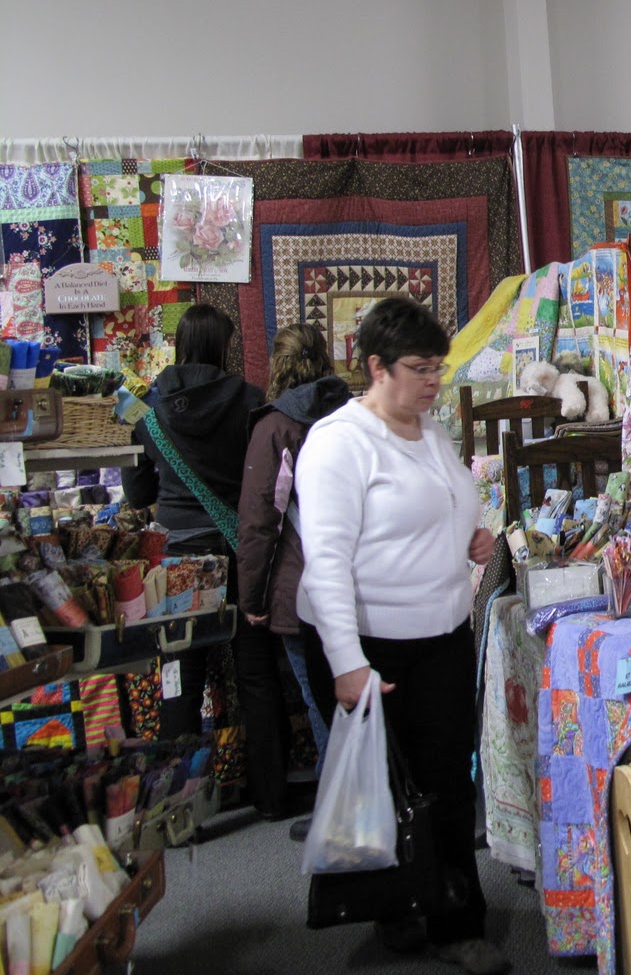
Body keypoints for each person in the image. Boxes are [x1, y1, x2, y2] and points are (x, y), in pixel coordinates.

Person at [295, 297, 507, 975]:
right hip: (371, 643)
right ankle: (397, 909)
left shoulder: (430, 432)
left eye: (438, 368)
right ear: (376, 367)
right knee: (387, 788)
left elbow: (443, 506)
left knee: (446, 784)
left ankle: (456, 923)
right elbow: (326, 562)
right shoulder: (337, 443)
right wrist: (346, 662)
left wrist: (471, 537)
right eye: (420, 369)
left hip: (441, 633)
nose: (434, 381)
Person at [123, 305, 272, 788]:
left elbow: (138, 495)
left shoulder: (148, 407)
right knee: (256, 671)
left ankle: (179, 798)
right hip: (237, 548)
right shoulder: (251, 400)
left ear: (181, 345)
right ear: (223, 346)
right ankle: (269, 793)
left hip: (179, 557)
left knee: (180, 678)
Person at [235, 324, 351, 837]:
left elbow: (260, 520)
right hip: (358, 578)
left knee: (319, 699)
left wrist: (251, 597)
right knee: (352, 695)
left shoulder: (277, 428)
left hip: (302, 586)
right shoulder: (351, 416)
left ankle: (337, 813)